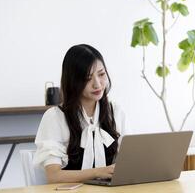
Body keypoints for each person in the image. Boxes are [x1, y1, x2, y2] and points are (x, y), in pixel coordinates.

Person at [33, 44, 126, 183]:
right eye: (87, 78)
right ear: (73, 81)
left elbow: (129, 161)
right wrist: (99, 172)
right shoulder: (55, 117)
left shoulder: (115, 111)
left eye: (101, 74)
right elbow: (54, 176)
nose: (97, 84)